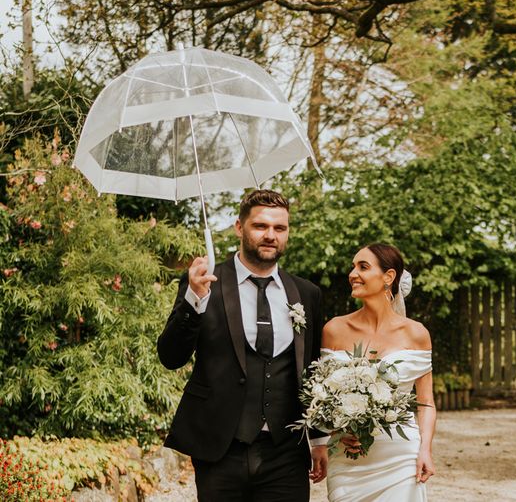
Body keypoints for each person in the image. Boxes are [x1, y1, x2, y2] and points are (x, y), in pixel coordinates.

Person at [157, 189, 328, 502]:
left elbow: (313, 371)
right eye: (260, 226)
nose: (270, 235)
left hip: (286, 452)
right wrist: (194, 300)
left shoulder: (306, 293)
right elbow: (170, 357)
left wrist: (318, 440)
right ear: (239, 227)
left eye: (280, 228)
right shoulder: (206, 282)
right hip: (220, 448)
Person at [321, 242, 436, 501]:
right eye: (352, 267)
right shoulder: (334, 329)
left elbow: (426, 402)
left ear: (388, 276)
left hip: (401, 458)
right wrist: (336, 430)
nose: (353, 274)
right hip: (348, 459)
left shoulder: (416, 334)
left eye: (363, 267)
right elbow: (322, 397)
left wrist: (425, 450)